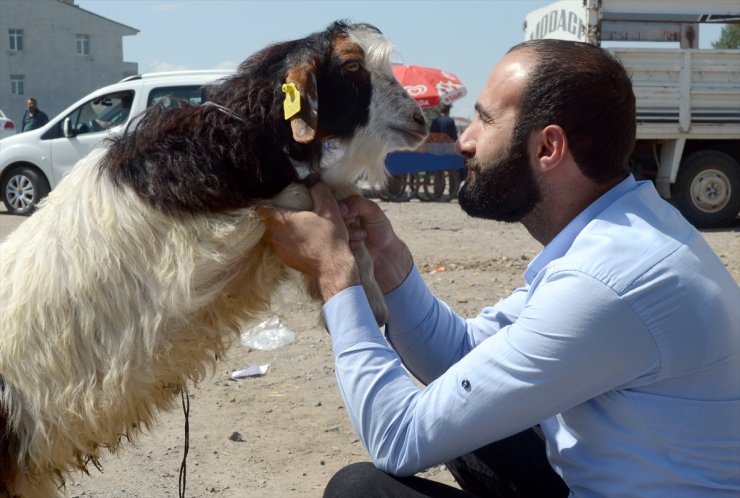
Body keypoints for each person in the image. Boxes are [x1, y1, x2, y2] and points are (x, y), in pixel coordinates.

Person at [260, 39, 740, 497]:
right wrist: (389, 263)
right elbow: (465, 357)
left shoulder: (605, 283)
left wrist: (336, 277)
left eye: (485, 121)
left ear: (548, 148)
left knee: (360, 491)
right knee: (466, 423)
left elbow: (397, 438)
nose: (463, 140)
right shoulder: (619, 231)